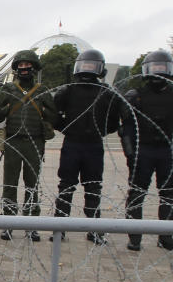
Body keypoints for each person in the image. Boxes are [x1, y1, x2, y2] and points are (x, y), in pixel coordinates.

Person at [120, 50, 173, 252]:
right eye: (155, 69)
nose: (158, 73)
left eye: (162, 68)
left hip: (168, 151)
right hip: (143, 150)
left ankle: (166, 236)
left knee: (169, 194)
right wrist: (130, 152)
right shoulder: (136, 96)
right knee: (137, 193)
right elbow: (126, 128)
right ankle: (134, 236)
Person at [51, 48, 121, 244]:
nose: (87, 70)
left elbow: (114, 120)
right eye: (85, 66)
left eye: (92, 66)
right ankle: (60, 228)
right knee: (66, 186)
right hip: (72, 143)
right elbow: (54, 115)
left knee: (93, 188)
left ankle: (94, 229)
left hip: (93, 145)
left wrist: (99, 130)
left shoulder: (106, 93)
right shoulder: (68, 91)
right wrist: (68, 128)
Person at [0, 49, 57, 241]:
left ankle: (31, 224)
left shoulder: (42, 91)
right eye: (21, 65)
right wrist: (7, 107)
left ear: (34, 68)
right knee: (10, 184)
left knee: (32, 184)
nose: (24, 68)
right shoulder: (8, 90)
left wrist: (45, 110)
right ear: (16, 69)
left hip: (34, 142)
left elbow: (54, 116)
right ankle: (8, 223)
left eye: (28, 65)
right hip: (13, 142)